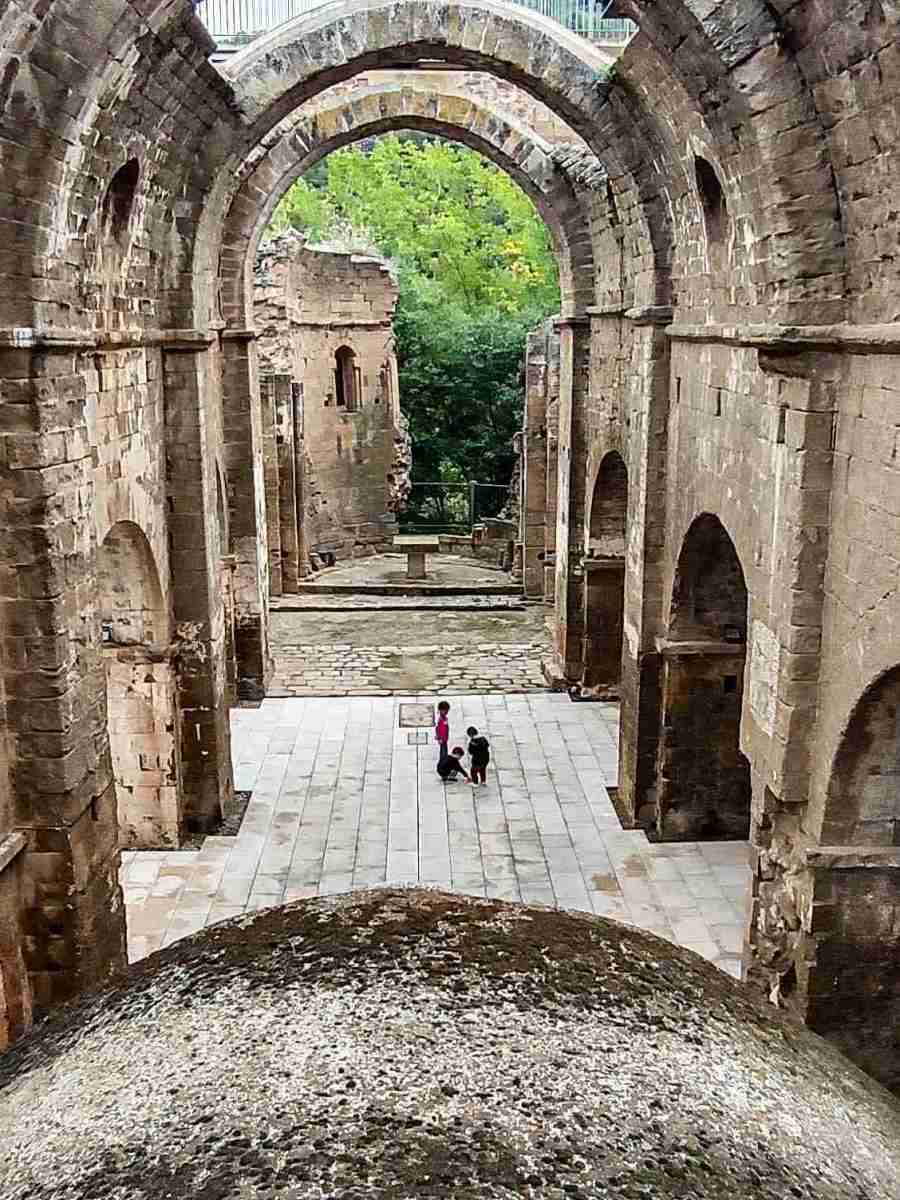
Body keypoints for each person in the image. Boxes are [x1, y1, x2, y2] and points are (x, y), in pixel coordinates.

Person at [435, 699, 450, 768]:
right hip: (443, 739)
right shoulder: (441, 719)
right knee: (444, 752)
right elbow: (440, 729)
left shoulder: (443, 718)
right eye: (445, 710)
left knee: (443, 751)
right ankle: (443, 764)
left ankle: (443, 763)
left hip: (444, 738)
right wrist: (440, 737)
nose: (447, 712)